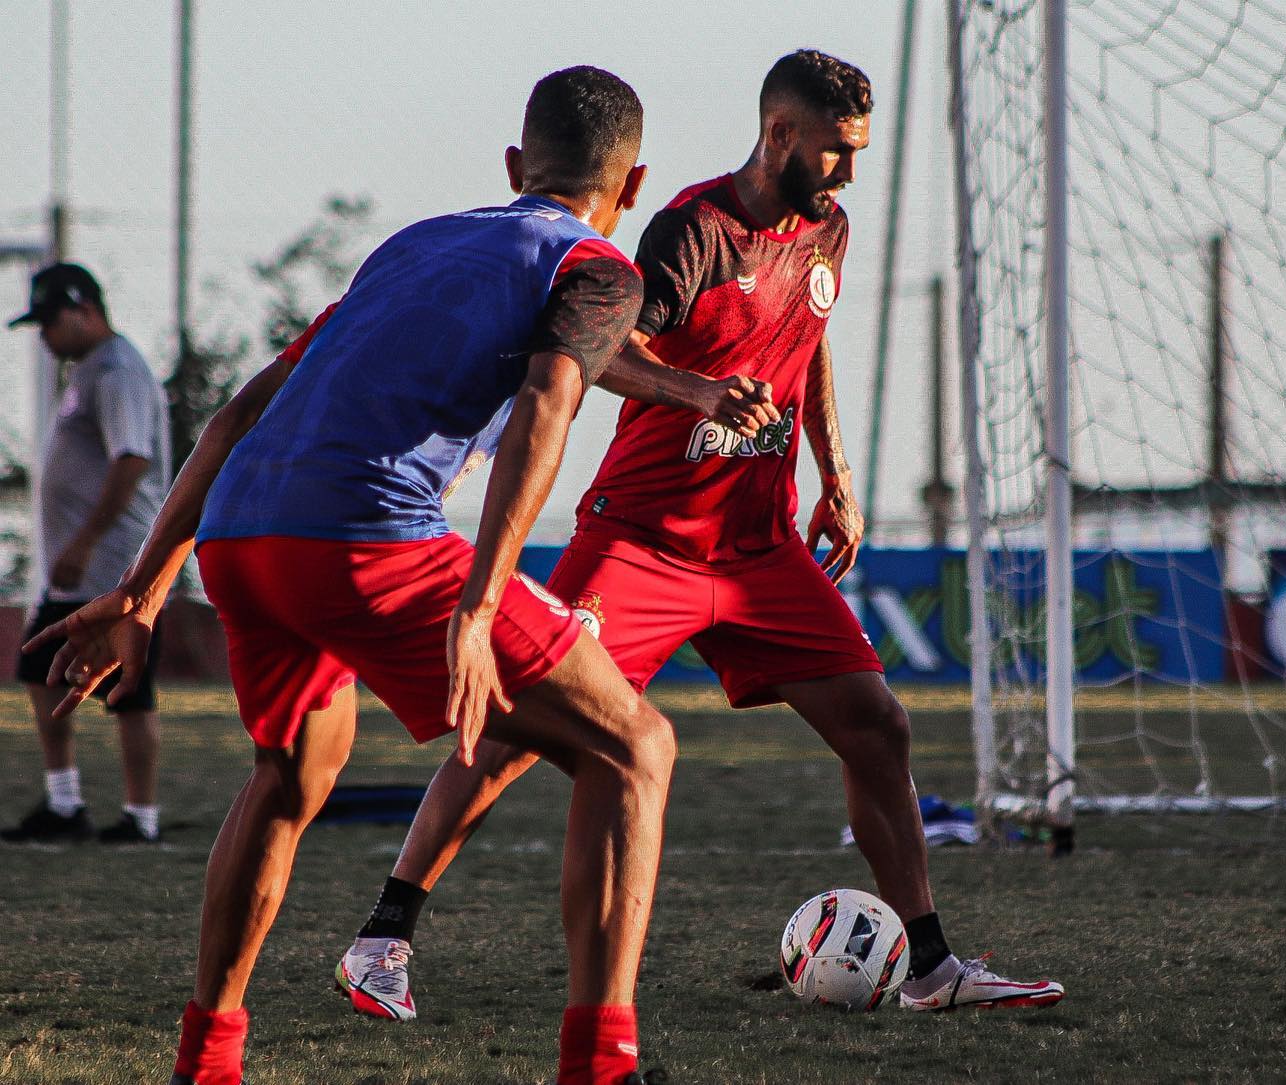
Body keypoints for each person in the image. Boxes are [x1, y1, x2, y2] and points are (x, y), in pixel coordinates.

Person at [23, 66, 728, 1085]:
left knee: (289, 774)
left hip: (242, 536)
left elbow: (241, 410)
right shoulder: (598, 266)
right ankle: (603, 1065)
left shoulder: (414, 246)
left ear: (514, 165)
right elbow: (549, 400)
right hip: (367, 538)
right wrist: (478, 605)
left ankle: (206, 1060)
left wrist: (143, 589)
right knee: (634, 747)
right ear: (635, 184)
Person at [336, 49, 1065, 1023]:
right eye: (836, 150)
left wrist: (836, 474)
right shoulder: (695, 229)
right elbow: (604, 348)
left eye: (857, 151)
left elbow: (809, 340)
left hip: (759, 549)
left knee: (877, 726)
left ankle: (930, 967)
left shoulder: (829, 227)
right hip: (643, 539)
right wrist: (699, 391)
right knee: (514, 727)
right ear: (779, 134)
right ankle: (381, 938)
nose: (850, 171)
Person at [3, 263, 171, 845]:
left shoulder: (118, 370)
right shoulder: (89, 370)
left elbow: (133, 459)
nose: (46, 336)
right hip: (81, 567)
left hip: (112, 562)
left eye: (51, 321)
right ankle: (65, 802)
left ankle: (140, 817)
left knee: (129, 688)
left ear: (85, 310)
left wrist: (84, 540)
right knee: (39, 669)